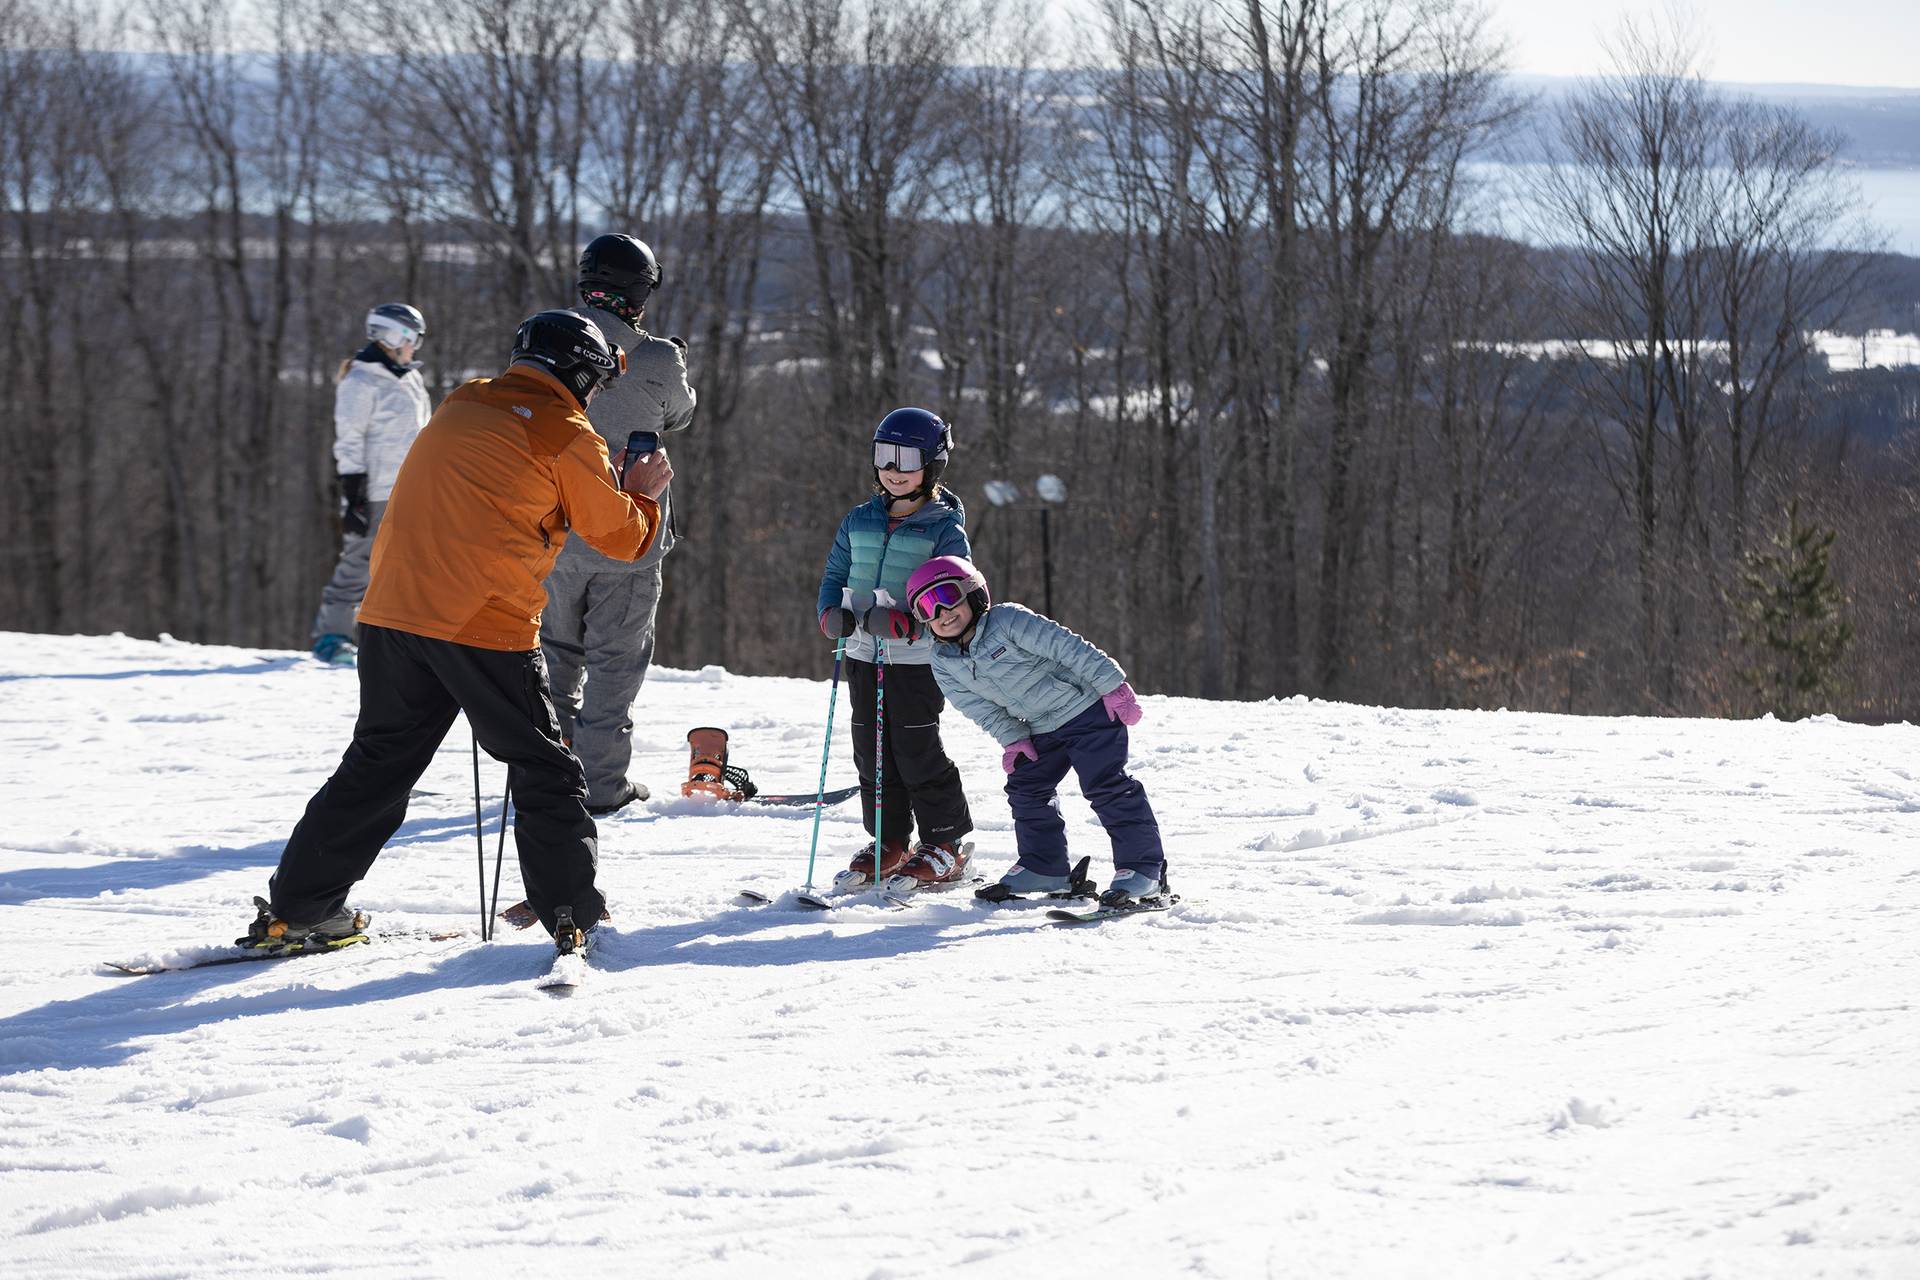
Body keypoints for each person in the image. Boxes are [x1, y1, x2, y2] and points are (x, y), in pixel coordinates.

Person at [240, 310, 673, 955]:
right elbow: (621, 538)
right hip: (482, 624)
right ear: (581, 375)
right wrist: (641, 490)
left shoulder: (463, 400)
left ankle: (299, 909)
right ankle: (572, 914)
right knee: (546, 768)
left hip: (390, 611)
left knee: (378, 765)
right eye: (596, 382)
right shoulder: (568, 431)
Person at [904, 554, 1169, 907]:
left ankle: (1142, 870)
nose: (942, 614)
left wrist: (1111, 685)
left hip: (1087, 710)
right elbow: (979, 707)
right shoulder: (943, 660)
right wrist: (1013, 739)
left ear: (973, 594)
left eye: (947, 598)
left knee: (1105, 784)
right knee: (1026, 786)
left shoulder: (1007, 620)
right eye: (927, 608)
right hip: (1042, 727)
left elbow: (1067, 647)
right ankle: (1044, 866)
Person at [539, 234, 698, 816]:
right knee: (614, 662)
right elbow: (679, 414)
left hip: (554, 531)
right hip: (631, 536)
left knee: (553, 656)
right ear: (640, 290)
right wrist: (671, 358)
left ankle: (543, 779)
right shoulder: (657, 356)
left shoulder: (549, 338)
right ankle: (602, 785)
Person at [816, 408, 975, 890]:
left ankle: (944, 843)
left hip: (915, 659)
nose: (894, 468)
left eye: (906, 459)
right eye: (885, 455)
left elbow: (957, 590)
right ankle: (889, 839)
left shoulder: (943, 527)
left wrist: (910, 623)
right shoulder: (859, 519)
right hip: (864, 654)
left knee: (915, 749)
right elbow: (834, 576)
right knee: (872, 750)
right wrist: (831, 614)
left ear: (932, 465)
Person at [311, 302, 433, 667]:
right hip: (376, 490)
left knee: (412, 564)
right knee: (360, 561)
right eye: (414, 339)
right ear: (394, 335)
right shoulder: (360, 381)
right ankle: (332, 637)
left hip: (413, 487)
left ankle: (403, 640)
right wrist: (354, 495)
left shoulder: (408, 377)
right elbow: (349, 440)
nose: (415, 347)